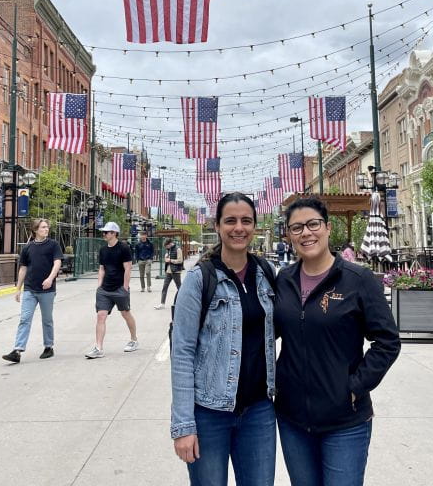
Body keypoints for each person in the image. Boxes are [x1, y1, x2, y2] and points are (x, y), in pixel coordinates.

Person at [273, 196, 401, 486]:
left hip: (345, 420)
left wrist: (354, 387)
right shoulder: (284, 280)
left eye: (313, 224)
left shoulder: (358, 279)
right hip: (292, 418)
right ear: (289, 235)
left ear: (328, 228)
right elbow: (268, 333)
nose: (306, 233)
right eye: (296, 228)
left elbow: (387, 341)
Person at [171, 192, 277, 486]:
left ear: (254, 226)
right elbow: (182, 353)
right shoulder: (199, 280)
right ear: (217, 226)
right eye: (230, 221)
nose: (238, 228)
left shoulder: (266, 274)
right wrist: (183, 425)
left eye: (246, 221)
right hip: (209, 413)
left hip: (259, 411)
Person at [2, 218, 62, 364]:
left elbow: (57, 263)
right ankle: (17, 350)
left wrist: (50, 279)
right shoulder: (27, 248)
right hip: (30, 289)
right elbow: (23, 268)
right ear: (35, 230)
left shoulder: (53, 245)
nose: (46, 229)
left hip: (47, 290)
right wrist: (18, 289)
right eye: (43, 227)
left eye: (47, 227)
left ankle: (48, 347)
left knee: (47, 319)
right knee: (24, 319)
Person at [85, 222, 139, 358]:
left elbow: (128, 268)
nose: (104, 234)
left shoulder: (124, 248)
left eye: (106, 232)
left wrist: (125, 287)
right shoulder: (103, 250)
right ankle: (98, 348)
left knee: (125, 314)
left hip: (119, 288)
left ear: (114, 233)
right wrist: (99, 286)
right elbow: (102, 268)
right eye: (103, 232)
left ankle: (134, 340)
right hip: (104, 289)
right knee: (101, 315)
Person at [155, 237, 184, 310]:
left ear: (170, 244)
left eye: (166, 246)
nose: (166, 247)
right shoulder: (168, 249)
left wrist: (170, 260)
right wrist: (166, 258)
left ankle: (183, 303)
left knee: (179, 287)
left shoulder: (178, 249)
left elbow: (180, 260)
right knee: (165, 287)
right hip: (168, 271)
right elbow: (167, 259)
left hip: (176, 271)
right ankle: (162, 304)